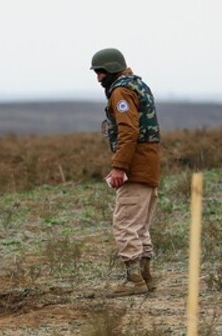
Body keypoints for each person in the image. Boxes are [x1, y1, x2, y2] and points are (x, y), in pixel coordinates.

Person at [90, 48, 161, 297]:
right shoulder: (138, 85)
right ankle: (145, 276)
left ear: (110, 69)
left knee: (125, 223)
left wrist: (119, 166)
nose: (98, 78)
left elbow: (129, 130)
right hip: (148, 164)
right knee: (140, 224)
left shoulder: (121, 91)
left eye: (100, 72)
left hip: (136, 165)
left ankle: (134, 280)